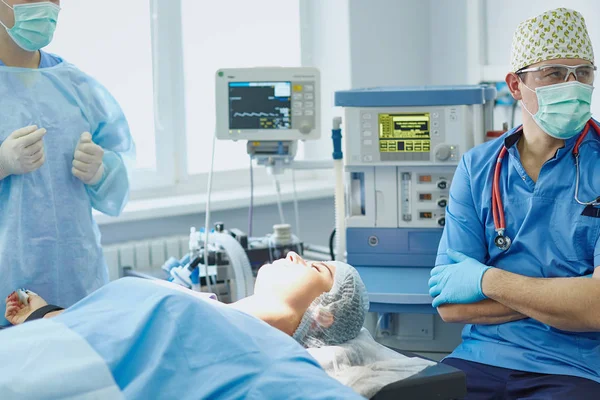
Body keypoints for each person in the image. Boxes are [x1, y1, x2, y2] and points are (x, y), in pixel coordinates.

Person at [428, 7, 600, 399]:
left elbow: (597, 310)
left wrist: (486, 280)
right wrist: (567, 296)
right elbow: (451, 306)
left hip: (575, 369)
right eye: (555, 73)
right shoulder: (479, 167)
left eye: (584, 73)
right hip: (478, 359)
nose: (573, 85)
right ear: (515, 85)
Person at [1, 254, 369, 399]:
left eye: (316, 268)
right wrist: (48, 317)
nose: (294, 256)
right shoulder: (201, 306)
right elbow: (123, 332)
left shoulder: (271, 358)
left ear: (324, 315)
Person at [0, 0, 135, 326]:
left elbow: (119, 181)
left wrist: (102, 172)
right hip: (8, 297)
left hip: (78, 287)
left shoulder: (77, 86)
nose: (45, 4)